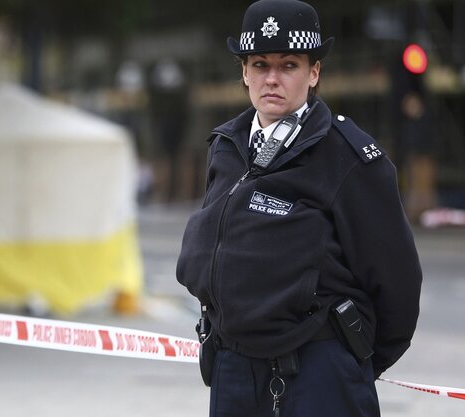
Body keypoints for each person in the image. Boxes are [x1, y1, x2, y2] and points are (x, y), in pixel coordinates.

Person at [175, 1, 423, 416]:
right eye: (259, 64)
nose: (271, 78)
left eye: (288, 65)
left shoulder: (349, 158)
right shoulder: (226, 146)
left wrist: (349, 363)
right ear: (244, 72)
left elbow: (398, 283)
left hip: (317, 373)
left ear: (314, 72)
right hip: (233, 367)